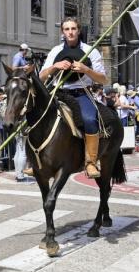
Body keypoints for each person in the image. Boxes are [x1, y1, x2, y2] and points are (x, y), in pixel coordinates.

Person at [40, 16, 107, 178]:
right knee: (36, 117)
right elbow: (41, 76)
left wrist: (86, 69)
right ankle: (36, 160)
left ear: (79, 31)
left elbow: (103, 79)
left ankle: (91, 163)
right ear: (63, 32)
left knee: (90, 120)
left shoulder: (91, 51)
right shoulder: (55, 51)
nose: (70, 32)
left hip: (80, 93)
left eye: (73, 29)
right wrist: (54, 67)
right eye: (66, 29)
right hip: (57, 92)